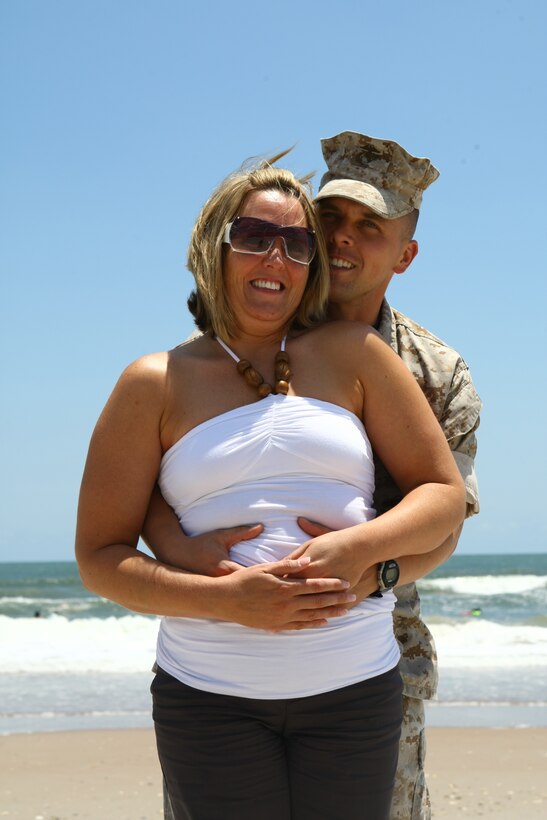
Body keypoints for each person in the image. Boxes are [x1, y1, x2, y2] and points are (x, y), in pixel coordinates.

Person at [76, 155, 466, 820]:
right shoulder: (153, 381)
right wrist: (224, 601)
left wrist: (360, 553)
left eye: (295, 243)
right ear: (214, 247)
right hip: (208, 697)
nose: (276, 257)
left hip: (356, 689)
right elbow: (101, 556)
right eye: (253, 236)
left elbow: (442, 495)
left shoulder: (357, 354)